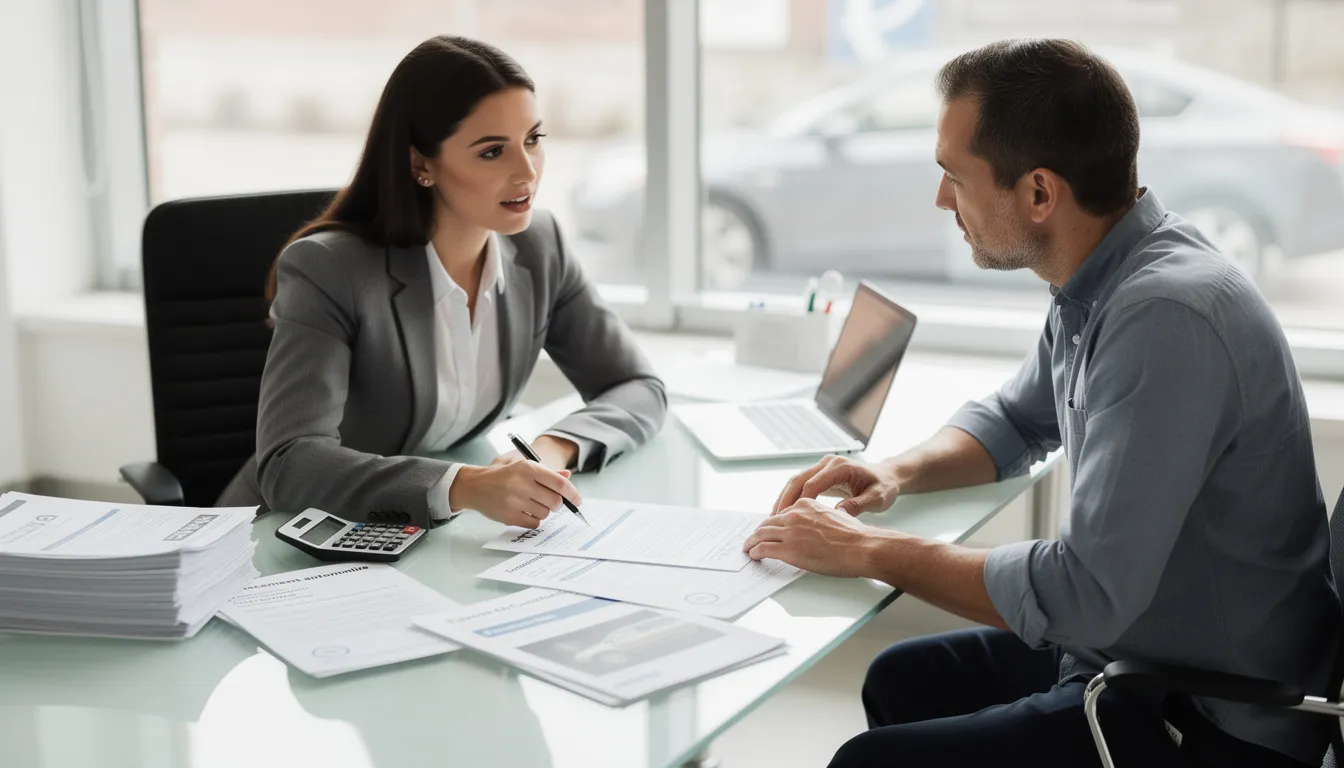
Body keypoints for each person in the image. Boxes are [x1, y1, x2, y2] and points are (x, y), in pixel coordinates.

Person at [745, 39, 1337, 767]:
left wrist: (868, 551)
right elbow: (1018, 420)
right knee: (900, 681)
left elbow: (1084, 591)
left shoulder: (1164, 318)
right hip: (1136, 649)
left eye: (954, 178)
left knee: (866, 762)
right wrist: (895, 474)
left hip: (1208, 714)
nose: (940, 201)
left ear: (1038, 193)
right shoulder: (1103, 276)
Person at [218, 36, 666, 530]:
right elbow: (289, 461)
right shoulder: (330, 269)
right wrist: (463, 486)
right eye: (492, 151)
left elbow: (637, 386)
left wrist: (551, 449)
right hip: (287, 537)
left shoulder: (541, 246)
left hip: (420, 539)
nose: (527, 172)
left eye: (533, 140)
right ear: (420, 164)